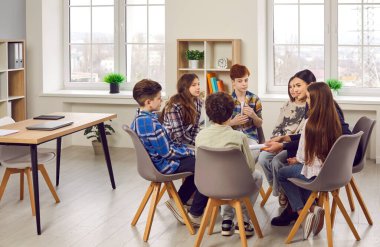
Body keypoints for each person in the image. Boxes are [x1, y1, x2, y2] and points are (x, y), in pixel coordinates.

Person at [131, 79, 207, 226]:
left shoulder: (140, 118)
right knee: (205, 165)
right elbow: (169, 153)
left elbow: (167, 147)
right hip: (164, 165)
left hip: (156, 162)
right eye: (159, 98)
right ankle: (195, 213)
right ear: (148, 102)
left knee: (199, 163)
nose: (162, 101)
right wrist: (191, 152)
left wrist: (190, 151)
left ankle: (178, 202)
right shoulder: (150, 124)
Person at [273, 82, 342, 239]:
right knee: (301, 173)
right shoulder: (334, 120)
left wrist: (295, 160)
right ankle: (313, 208)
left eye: (310, 98)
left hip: (316, 174)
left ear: (316, 101)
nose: (307, 101)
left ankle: (302, 213)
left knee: (283, 172)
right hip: (332, 172)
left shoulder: (309, 124)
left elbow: (303, 157)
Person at [195, 92, 263, 237]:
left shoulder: (200, 136)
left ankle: (226, 219)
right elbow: (250, 168)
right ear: (231, 113)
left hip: (207, 185)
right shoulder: (239, 137)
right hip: (233, 186)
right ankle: (243, 220)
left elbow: (199, 163)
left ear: (208, 113)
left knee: (222, 176)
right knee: (256, 176)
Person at [258, 69, 315, 207]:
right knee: (263, 158)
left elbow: (303, 138)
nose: (293, 90)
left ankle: (289, 195)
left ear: (310, 85)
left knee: (277, 162)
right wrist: (274, 141)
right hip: (283, 142)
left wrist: (282, 145)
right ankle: (283, 191)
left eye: (297, 86)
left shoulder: (311, 106)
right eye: (291, 86)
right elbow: (278, 127)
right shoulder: (287, 105)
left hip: (295, 146)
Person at [229, 64, 263, 161]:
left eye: (246, 80)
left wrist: (253, 116)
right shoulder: (227, 100)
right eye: (240, 81)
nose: (244, 84)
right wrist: (233, 122)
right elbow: (220, 124)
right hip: (232, 137)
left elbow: (259, 123)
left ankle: (245, 174)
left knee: (253, 152)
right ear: (233, 82)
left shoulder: (255, 99)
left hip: (250, 137)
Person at [160, 73, 202, 146]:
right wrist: (198, 144)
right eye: (194, 85)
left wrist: (196, 142)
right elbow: (179, 136)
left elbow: (195, 127)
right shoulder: (174, 106)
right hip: (171, 143)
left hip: (186, 141)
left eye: (198, 84)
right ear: (185, 87)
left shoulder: (198, 102)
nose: (198, 87)